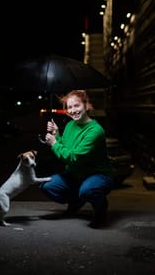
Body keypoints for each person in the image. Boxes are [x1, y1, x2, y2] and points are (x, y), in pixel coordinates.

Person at [39, 89, 114, 228]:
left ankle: (100, 210)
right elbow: (67, 148)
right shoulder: (70, 125)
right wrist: (57, 134)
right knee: (47, 186)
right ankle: (77, 200)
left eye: (77, 105)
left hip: (97, 174)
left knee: (89, 190)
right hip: (75, 174)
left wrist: (54, 143)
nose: (73, 110)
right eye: (70, 107)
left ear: (86, 106)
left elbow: (74, 157)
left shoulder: (95, 131)